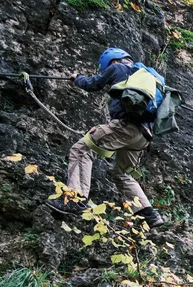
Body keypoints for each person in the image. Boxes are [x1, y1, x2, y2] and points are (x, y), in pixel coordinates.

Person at [48, 47, 164, 228]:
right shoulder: (148, 79)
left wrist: (77, 78)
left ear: (112, 61)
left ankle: (75, 199)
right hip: (143, 136)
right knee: (122, 173)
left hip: (125, 127)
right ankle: (148, 214)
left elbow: (92, 84)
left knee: (81, 150)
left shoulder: (117, 68)